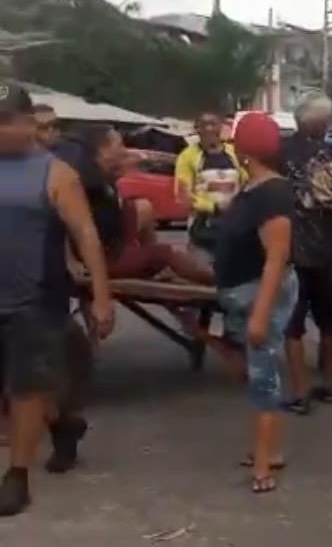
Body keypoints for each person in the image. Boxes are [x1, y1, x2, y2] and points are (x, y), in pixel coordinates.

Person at [0, 81, 114, 516]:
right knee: (20, 385)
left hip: (36, 300)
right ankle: (65, 426)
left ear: (28, 123)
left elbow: (86, 235)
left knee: (25, 387)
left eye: (5, 121)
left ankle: (17, 476)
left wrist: (102, 299)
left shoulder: (56, 174)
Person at [214, 112, 297, 494]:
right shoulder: (254, 188)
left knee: (263, 376)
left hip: (259, 293)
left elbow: (276, 258)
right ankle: (268, 452)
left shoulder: (273, 193)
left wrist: (261, 314)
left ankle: (264, 465)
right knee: (252, 371)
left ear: (244, 150)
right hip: (242, 292)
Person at [279, 92, 332, 414]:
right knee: (329, 319)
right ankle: (331, 381)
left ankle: (299, 391)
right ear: (322, 123)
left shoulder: (279, 153)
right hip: (327, 249)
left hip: (290, 249)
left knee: (292, 323)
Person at [74, 124, 214, 285]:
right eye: (119, 146)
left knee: (143, 207)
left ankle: (159, 269)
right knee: (167, 252)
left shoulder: (105, 175)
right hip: (104, 258)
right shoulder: (90, 182)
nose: (124, 151)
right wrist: (74, 262)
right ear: (103, 150)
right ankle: (218, 282)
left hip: (115, 245)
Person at [175, 111, 245, 261]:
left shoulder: (235, 153)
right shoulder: (187, 157)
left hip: (234, 229)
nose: (208, 129)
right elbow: (183, 196)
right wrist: (214, 207)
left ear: (221, 127)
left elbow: (246, 182)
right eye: (203, 125)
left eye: (213, 124)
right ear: (196, 129)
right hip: (202, 231)